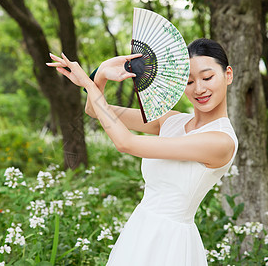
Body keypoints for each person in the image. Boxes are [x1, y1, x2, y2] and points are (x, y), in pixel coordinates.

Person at [47, 38, 238, 266]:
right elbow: (95, 110)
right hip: (140, 229)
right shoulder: (171, 121)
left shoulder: (220, 140)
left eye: (207, 78)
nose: (199, 89)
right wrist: (101, 74)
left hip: (170, 242)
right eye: (188, 81)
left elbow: (126, 143)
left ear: (228, 75)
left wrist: (87, 85)